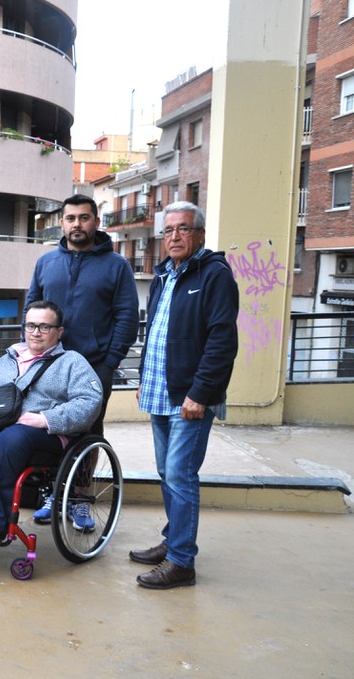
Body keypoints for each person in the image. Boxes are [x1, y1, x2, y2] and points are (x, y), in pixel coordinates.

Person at [132, 201, 239, 589]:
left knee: (180, 474)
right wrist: (143, 376)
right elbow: (155, 332)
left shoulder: (215, 275)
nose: (174, 236)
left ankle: (181, 562)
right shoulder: (163, 275)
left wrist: (201, 393)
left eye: (183, 228)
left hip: (190, 397)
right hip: (161, 389)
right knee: (167, 472)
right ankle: (172, 539)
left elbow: (222, 341)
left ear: (200, 235)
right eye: (168, 230)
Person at [0, 300, 102, 540]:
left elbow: (90, 402)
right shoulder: (8, 358)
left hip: (44, 433)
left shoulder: (72, 362)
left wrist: (45, 418)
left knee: (11, 440)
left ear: (59, 331)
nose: (36, 332)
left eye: (44, 327)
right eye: (31, 326)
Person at [26, 194, 139, 525]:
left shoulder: (116, 266)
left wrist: (109, 362)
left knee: (86, 432)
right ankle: (51, 493)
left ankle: (78, 500)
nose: (77, 224)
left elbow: (127, 317)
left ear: (96, 222)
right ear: (62, 222)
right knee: (47, 428)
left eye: (84, 218)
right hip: (48, 366)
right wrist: (32, 352)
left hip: (94, 367)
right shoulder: (46, 263)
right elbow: (31, 308)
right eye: (71, 218)